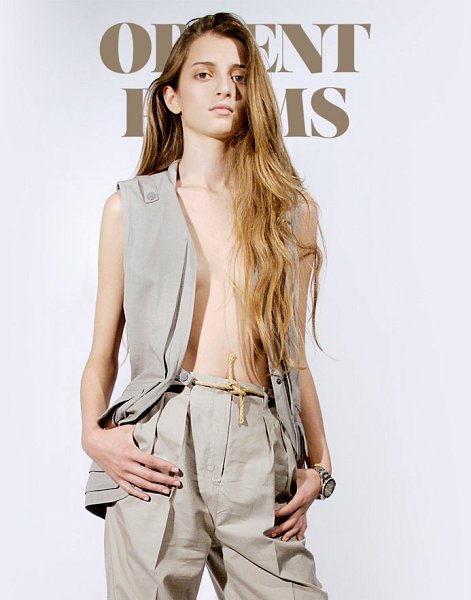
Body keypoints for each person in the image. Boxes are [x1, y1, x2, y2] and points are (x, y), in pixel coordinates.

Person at [81, 12, 334, 599]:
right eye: (204, 74)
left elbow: (293, 356)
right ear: (171, 97)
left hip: (257, 439)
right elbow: (102, 354)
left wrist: (320, 465)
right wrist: (94, 436)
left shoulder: (291, 211)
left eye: (240, 76)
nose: (226, 88)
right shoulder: (130, 208)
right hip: (158, 445)